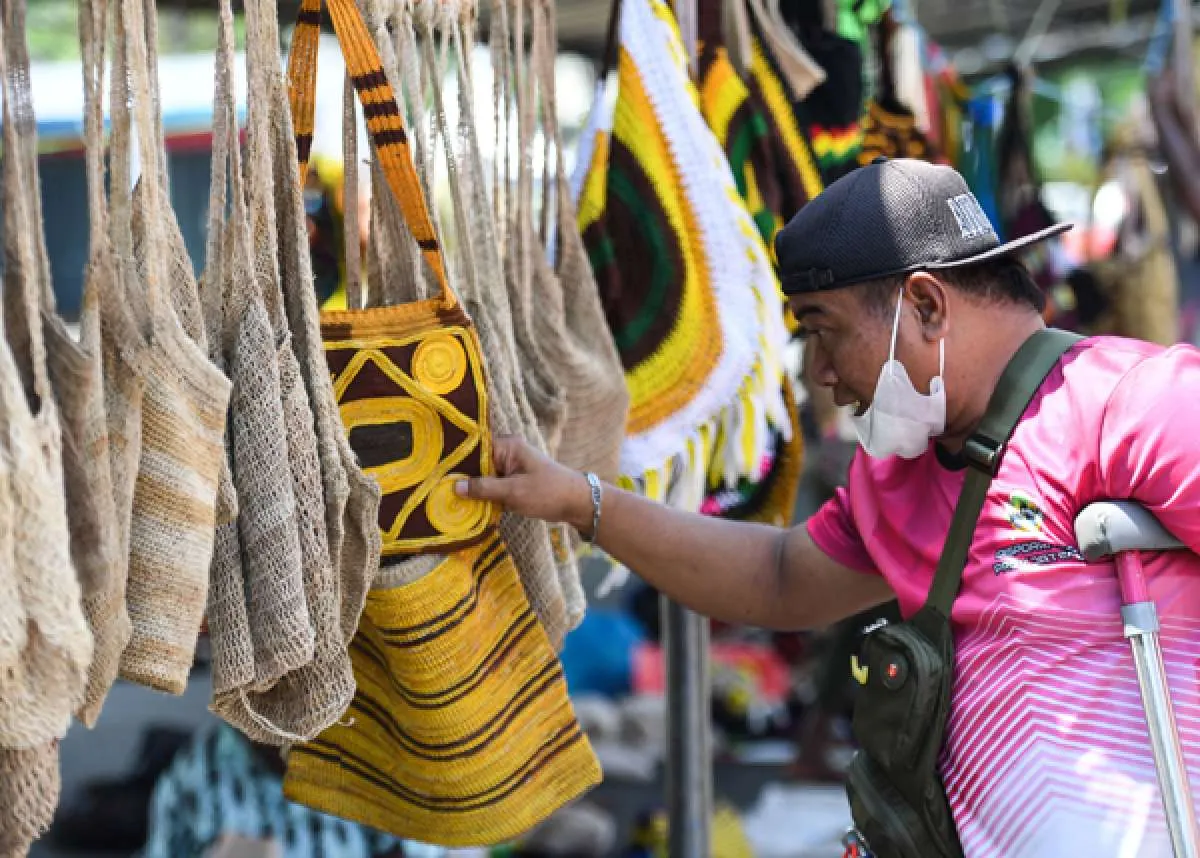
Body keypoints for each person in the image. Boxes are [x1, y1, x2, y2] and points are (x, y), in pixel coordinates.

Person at [458, 157, 1200, 857]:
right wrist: (579, 502)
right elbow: (780, 578)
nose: (819, 372)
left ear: (926, 305)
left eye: (823, 330)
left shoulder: (1133, 407)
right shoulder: (903, 475)